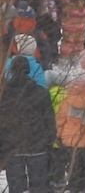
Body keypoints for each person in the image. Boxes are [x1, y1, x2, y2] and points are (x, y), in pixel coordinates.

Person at [0, 55, 56, 193]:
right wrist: (49, 140)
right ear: (28, 70)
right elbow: (49, 119)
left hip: (12, 147)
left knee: (16, 187)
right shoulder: (40, 92)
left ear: (11, 70)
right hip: (37, 146)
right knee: (39, 187)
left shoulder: (4, 94)